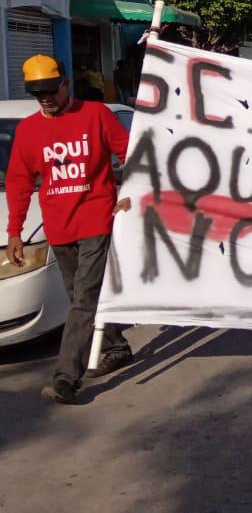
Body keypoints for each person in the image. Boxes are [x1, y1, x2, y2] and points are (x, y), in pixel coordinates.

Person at [6, 55, 134, 405]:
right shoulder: (29, 131)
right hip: (60, 228)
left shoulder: (96, 115)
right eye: (38, 93)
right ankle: (117, 347)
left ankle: (66, 377)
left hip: (96, 220)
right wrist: (14, 232)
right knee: (82, 298)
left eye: (50, 90)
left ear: (65, 83)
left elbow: (130, 154)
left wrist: (129, 193)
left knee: (82, 300)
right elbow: (18, 183)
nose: (45, 98)